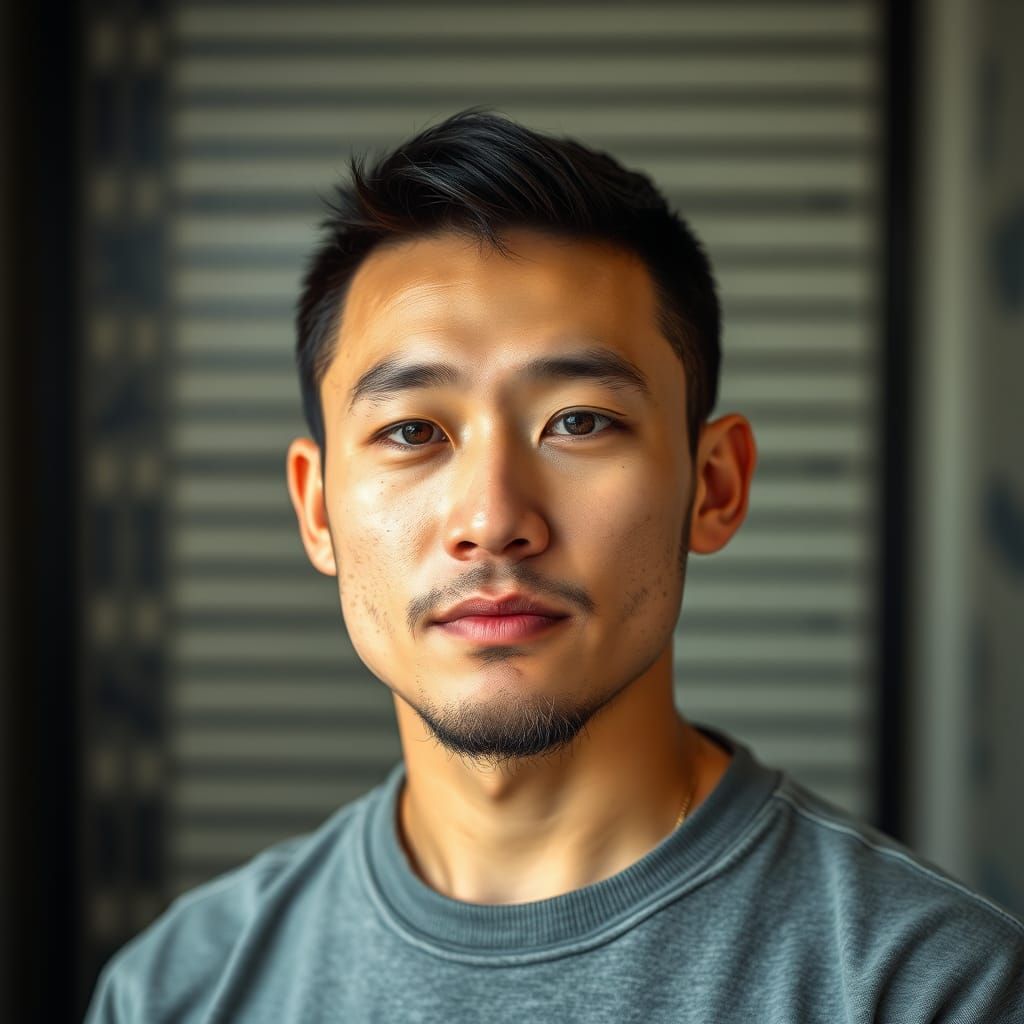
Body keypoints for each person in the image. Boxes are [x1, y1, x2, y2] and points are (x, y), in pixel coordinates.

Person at [85, 107, 1024, 1022]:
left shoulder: (935, 990)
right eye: (411, 432)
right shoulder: (176, 992)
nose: (493, 521)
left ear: (715, 486)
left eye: (578, 421)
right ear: (316, 507)